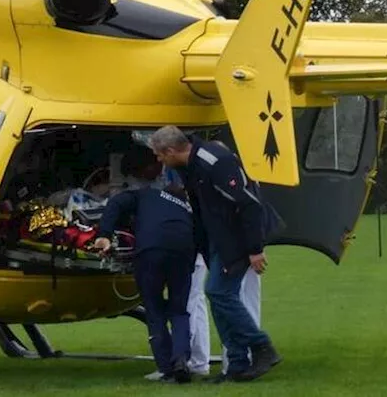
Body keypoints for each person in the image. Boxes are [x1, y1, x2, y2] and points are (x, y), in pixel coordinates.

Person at [147, 126, 281, 382]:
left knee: (218, 292)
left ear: (171, 150)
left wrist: (255, 249)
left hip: (237, 239)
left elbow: (249, 204)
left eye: (159, 155)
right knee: (219, 297)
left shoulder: (213, 162)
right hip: (219, 239)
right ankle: (238, 365)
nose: (158, 160)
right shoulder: (189, 167)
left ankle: (262, 346)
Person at [91, 164, 197, 384]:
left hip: (150, 251)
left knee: (154, 308)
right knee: (179, 310)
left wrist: (104, 234)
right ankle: (181, 359)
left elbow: (116, 202)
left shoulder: (145, 195)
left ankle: (165, 367)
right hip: (183, 251)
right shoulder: (187, 207)